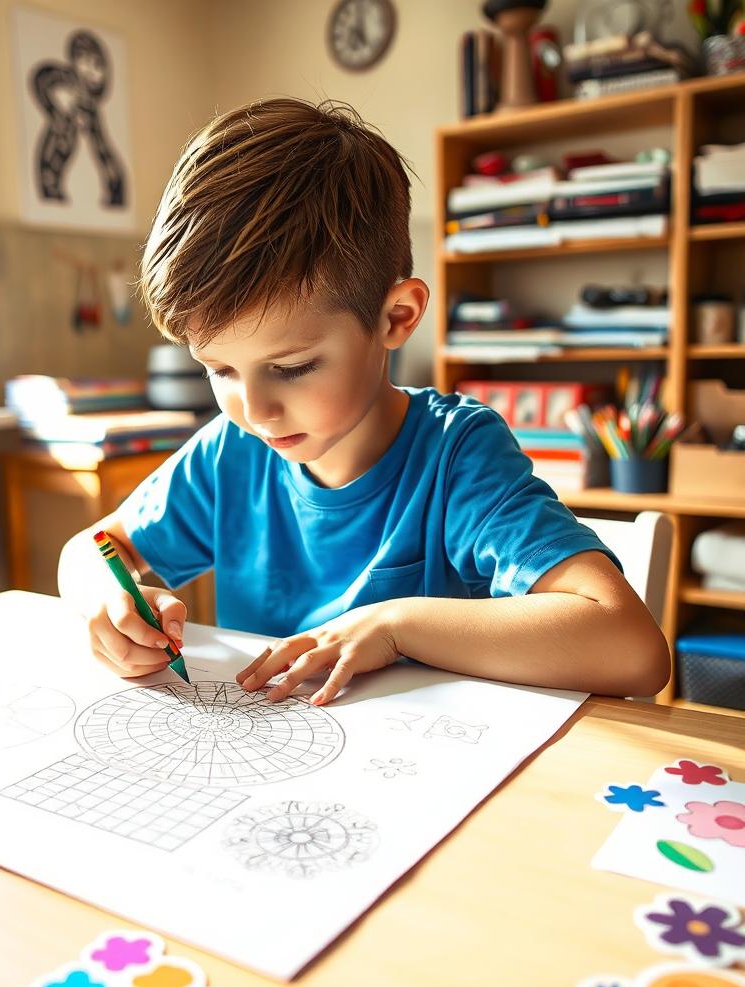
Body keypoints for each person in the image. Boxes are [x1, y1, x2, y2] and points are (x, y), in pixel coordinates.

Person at [58, 97, 670, 705]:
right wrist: (110, 601)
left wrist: (398, 626)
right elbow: (93, 549)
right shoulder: (231, 454)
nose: (255, 410)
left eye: (292, 368)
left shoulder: (456, 458)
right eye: (218, 369)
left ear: (396, 317)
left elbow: (633, 650)